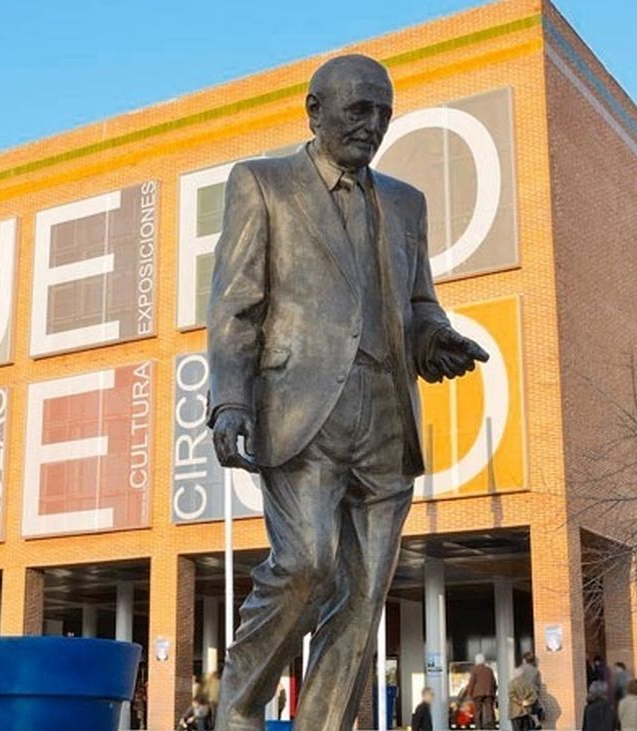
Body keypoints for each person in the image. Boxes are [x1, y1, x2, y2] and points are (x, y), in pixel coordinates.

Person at [205, 53, 488, 731]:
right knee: (307, 564)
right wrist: (231, 398)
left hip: (388, 413)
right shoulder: (263, 185)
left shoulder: (405, 203)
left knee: (363, 599)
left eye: (384, 114)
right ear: (314, 110)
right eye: (359, 110)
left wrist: (434, 339)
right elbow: (235, 304)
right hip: (301, 410)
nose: (373, 126)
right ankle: (240, 706)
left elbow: (417, 304)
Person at [463, 654, 498, 730]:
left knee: (478, 711)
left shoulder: (475, 670)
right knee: (489, 709)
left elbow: (471, 682)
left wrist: (469, 693)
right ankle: (491, 726)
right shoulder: (489, 670)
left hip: (477, 694)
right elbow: (494, 682)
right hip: (489, 693)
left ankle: (478, 727)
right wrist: (494, 691)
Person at [507, 666, 538, 731]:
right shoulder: (528, 683)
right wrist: (528, 702)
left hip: (515, 712)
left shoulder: (512, 683)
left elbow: (511, 695)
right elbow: (534, 696)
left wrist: (520, 702)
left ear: (514, 674)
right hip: (526, 711)